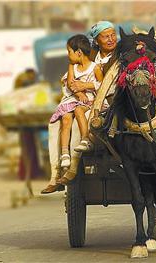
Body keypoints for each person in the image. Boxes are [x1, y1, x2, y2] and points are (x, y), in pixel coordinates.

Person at [41, 22, 117, 194]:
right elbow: (69, 83)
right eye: (106, 36)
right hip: (78, 100)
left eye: (113, 35)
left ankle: (72, 167)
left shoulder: (121, 56)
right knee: (54, 124)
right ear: (96, 41)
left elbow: (112, 86)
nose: (111, 39)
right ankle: (55, 174)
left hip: (104, 103)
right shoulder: (89, 57)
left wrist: (85, 85)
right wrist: (77, 91)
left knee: (77, 123)